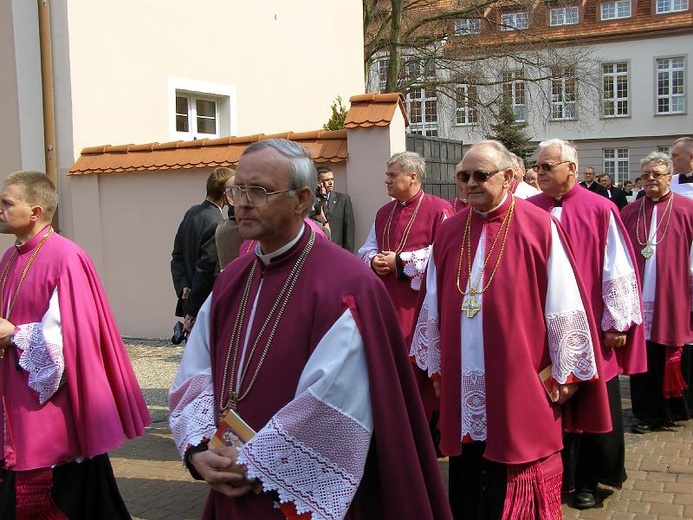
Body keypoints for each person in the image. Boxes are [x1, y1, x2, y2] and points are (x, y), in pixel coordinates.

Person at [168, 139, 452, 520]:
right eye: (238, 189)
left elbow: (332, 403)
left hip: (294, 493)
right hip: (227, 477)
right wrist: (198, 448)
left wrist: (255, 462)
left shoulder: (346, 284)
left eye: (260, 191)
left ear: (302, 199)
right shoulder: (232, 278)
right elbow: (196, 369)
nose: (243, 202)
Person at [410, 140, 611, 520]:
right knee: (468, 464)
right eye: (462, 176)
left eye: (480, 175)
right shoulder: (451, 230)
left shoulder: (539, 226)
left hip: (518, 370)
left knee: (515, 454)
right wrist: (436, 367)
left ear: (509, 178)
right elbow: (432, 304)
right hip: (463, 373)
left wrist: (566, 371)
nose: (469, 183)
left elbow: (564, 300)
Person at [0, 171, 150, 519]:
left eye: (7, 203)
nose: (1, 209)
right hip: (13, 397)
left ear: (35, 211)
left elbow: (70, 339)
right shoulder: (9, 258)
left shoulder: (66, 258)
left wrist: (14, 334)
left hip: (50, 408)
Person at [528, 139, 646, 510]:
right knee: (549, 399)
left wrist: (617, 323)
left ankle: (590, 480)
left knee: (594, 402)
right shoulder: (529, 210)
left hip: (592, 324)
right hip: (543, 326)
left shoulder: (601, 208)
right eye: (538, 166)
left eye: (548, 166)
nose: (540, 172)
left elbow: (618, 269)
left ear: (571, 169)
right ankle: (554, 474)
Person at [358, 151, 453, 420]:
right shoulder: (384, 211)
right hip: (386, 301)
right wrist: (373, 259)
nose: (386, 181)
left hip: (419, 305)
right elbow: (368, 245)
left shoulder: (439, 209)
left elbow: (444, 253)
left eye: (392, 175)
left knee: (416, 371)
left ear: (413, 177)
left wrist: (400, 261)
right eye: (387, 175)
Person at [621, 151, 693, 433]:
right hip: (638, 295)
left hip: (673, 294)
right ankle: (646, 412)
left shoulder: (687, 209)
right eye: (646, 175)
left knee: (670, 354)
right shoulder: (629, 211)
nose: (651, 180)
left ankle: (672, 411)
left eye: (657, 175)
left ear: (669, 177)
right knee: (642, 356)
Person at [171, 167, 233, 335]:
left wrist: (182, 284)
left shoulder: (192, 212)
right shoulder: (218, 223)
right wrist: (192, 311)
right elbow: (205, 270)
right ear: (225, 193)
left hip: (189, 299)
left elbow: (177, 256)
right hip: (202, 305)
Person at [315, 166, 355, 252]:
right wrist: (322, 197)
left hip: (337, 251)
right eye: (326, 180)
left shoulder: (343, 200)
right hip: (317, 251)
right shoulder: (312, 202)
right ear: (318, 182)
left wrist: (348, 256)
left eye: (332, 179)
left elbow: (349, 232)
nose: (330, 183)